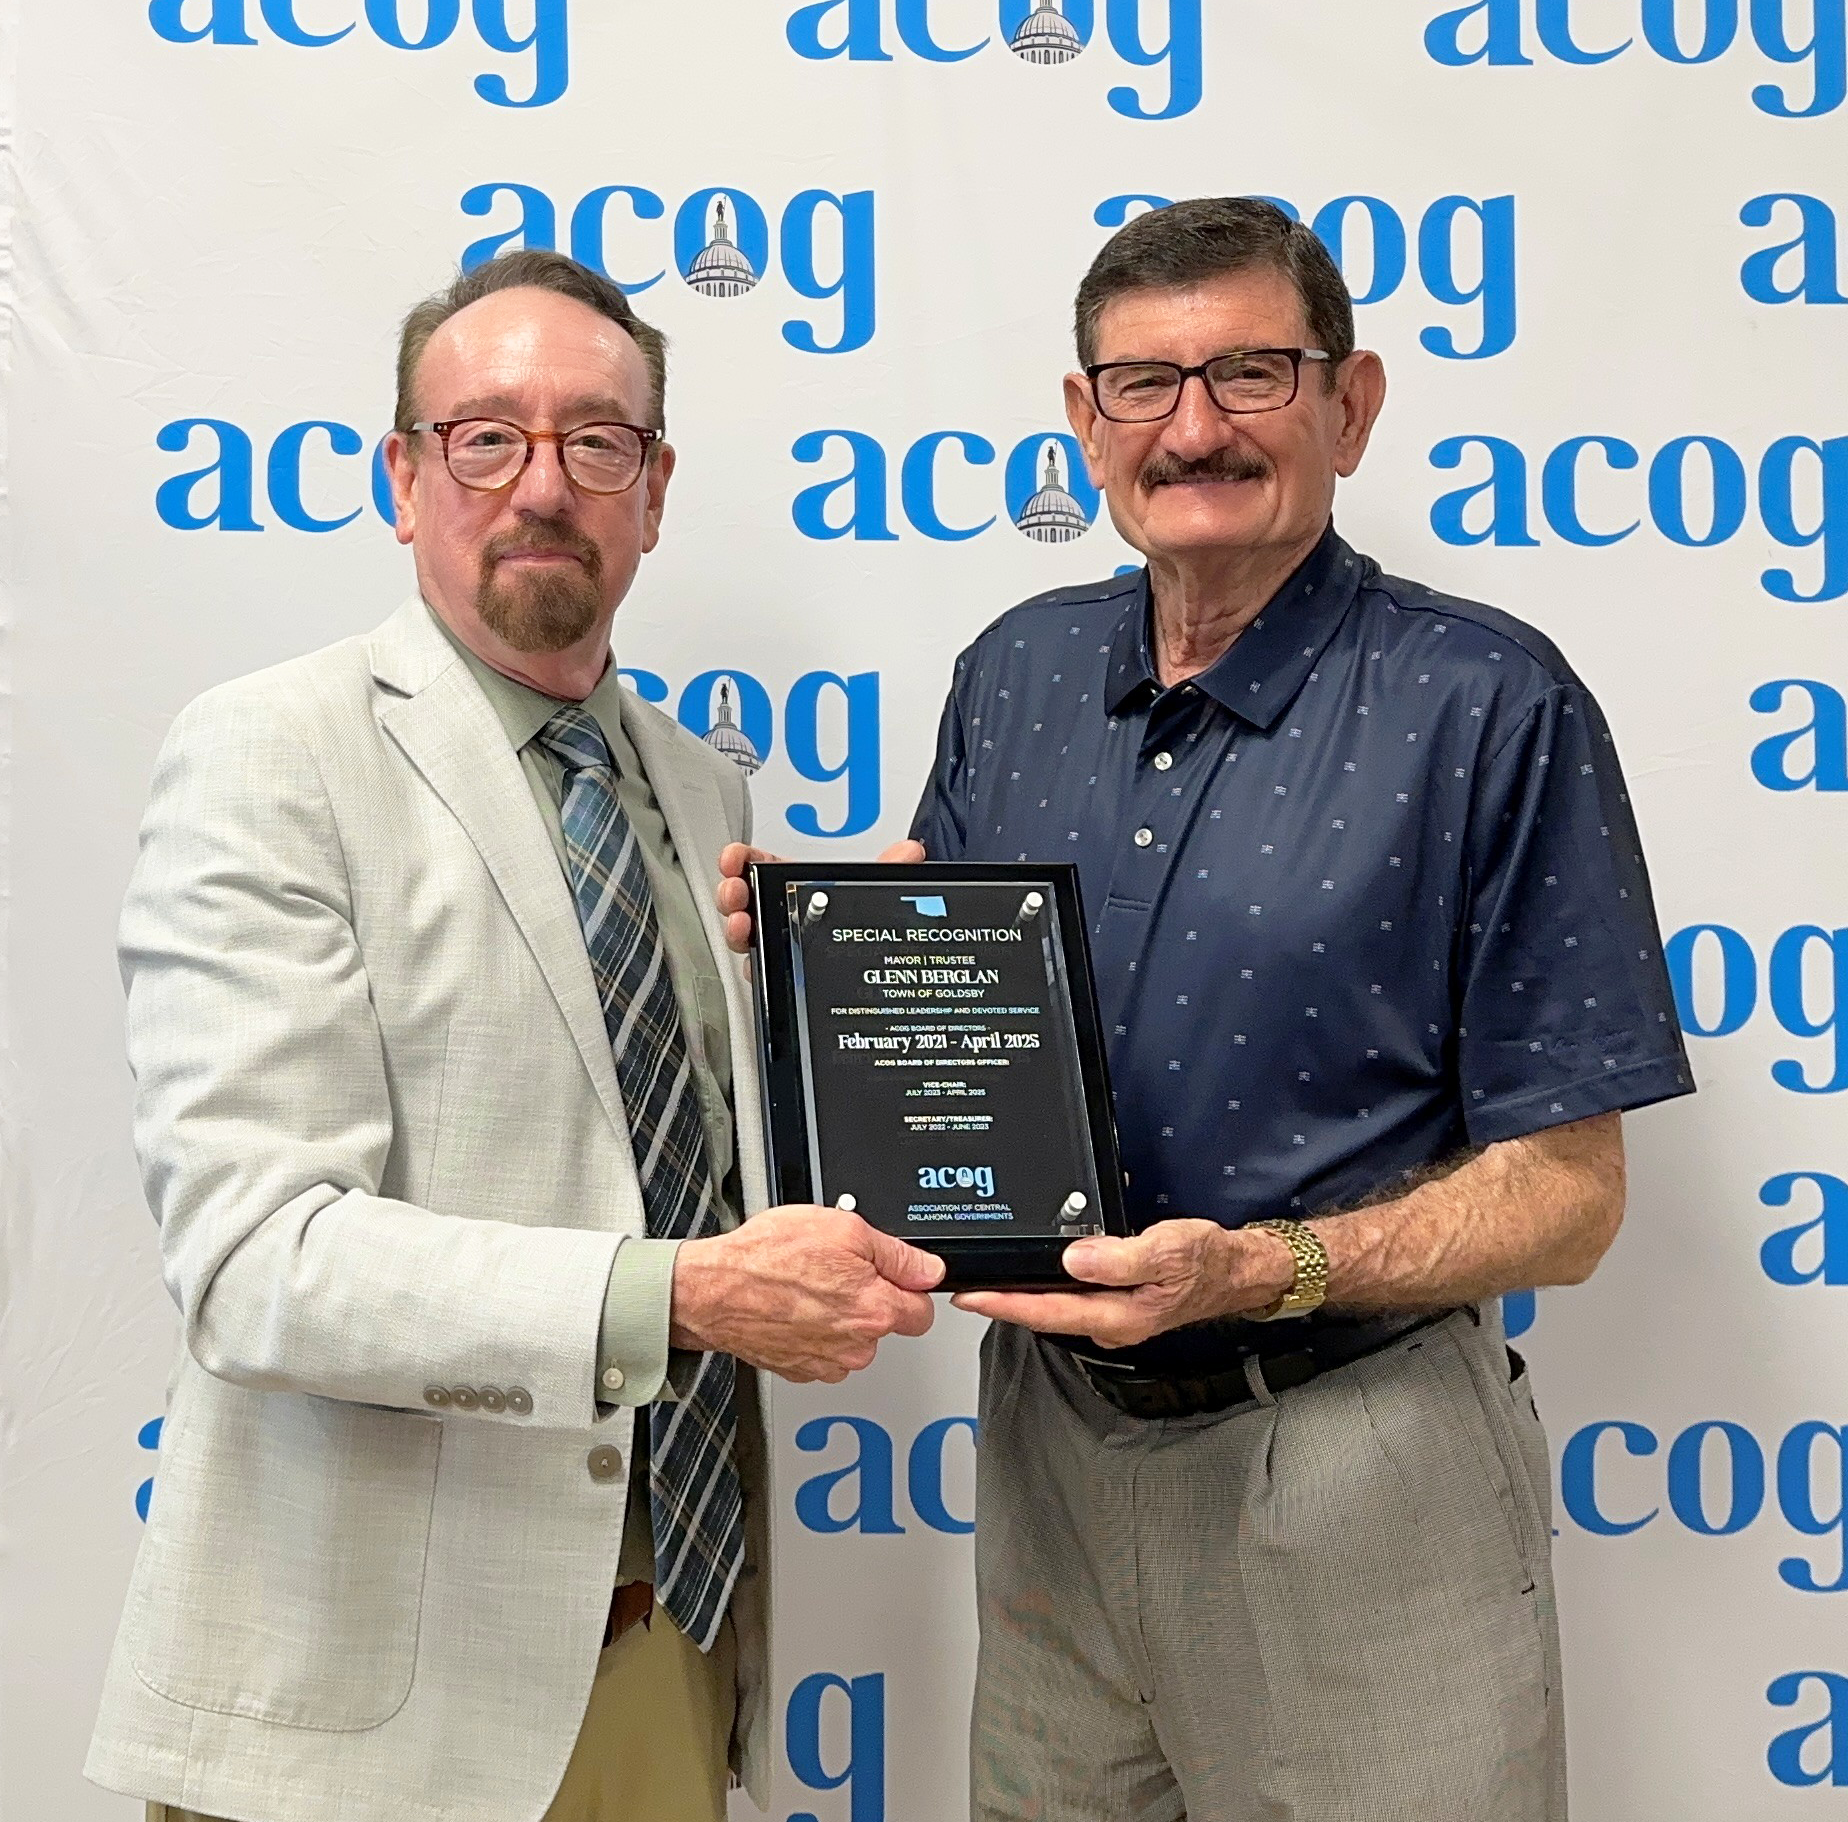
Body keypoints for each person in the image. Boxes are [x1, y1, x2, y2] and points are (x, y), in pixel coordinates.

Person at [719, 197, 1693, 1822]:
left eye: (1251, 373)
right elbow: (961, 1001)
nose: (1194, 429)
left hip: (1354, 1461)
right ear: (1085, 419)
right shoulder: (1015, 673)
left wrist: (1261, 1266)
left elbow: (1572, 1196)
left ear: (1350, 405)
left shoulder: (1489, 702)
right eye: (1143, 385)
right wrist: (830, 954)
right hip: (1051, 1460)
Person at [87, 249, 944, 1822]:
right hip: (373, 1710)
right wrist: (679, 1293)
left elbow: (652, 1142)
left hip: (676, 1651)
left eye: (595, 441)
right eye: (486, 437)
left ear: (654, 489)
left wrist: (885, 999)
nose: (542, 485)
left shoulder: (700, 789)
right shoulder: (273, 753)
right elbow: (255, 1259)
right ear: (403, 476)